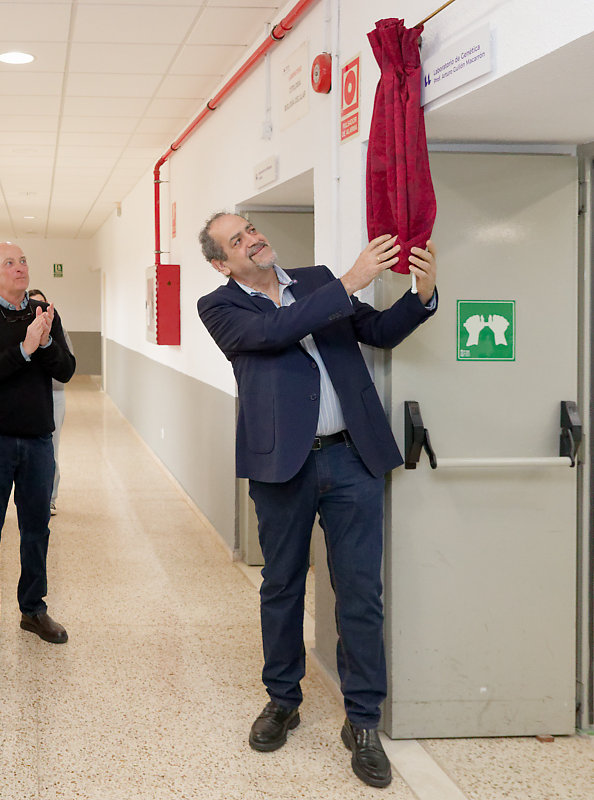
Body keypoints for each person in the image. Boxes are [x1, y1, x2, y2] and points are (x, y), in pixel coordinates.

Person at [196, 213, 438, 789]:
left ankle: (362, 721)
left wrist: (421, 296)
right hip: (282, 464)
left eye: (250, 228)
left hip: (351, 458)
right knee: (282, 584)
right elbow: (273, 334)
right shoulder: (220, 307)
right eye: (237, 239)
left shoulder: (316, 279)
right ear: (220, 263)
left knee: (360, 590)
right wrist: (350, 280)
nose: (252, 237)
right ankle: (283, 700)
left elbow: (376, 331)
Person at [0, 243, 75, 655]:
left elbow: (66, 370)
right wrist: (25, 349)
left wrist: (44, 344)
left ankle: (33, 609)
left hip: (36, 440)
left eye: (24, 260)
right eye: (9, 262)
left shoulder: (43, 313)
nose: (20, 267)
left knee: (36, 530)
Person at [27, 288, 74, 515]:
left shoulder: (59, 330)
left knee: (50, 448)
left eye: (43, 305)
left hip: (54, 394)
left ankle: (50, 497)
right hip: (29, 395)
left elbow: (67, 363)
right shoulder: (24, 331)